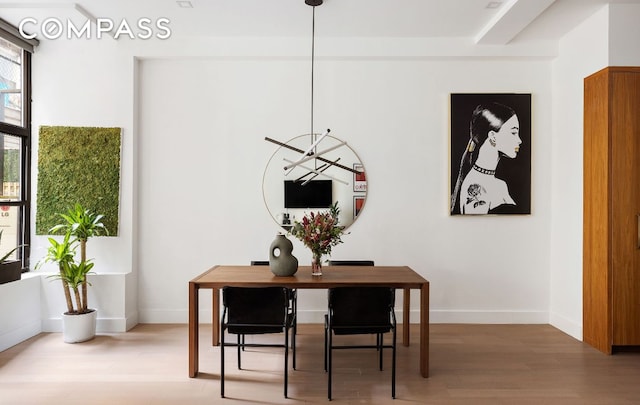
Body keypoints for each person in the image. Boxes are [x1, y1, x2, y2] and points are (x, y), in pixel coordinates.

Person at [451, 102, 522, 214]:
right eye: (513, 133)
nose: (519, 140)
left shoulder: (501, 185)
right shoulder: (476, 187)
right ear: (493, 137)